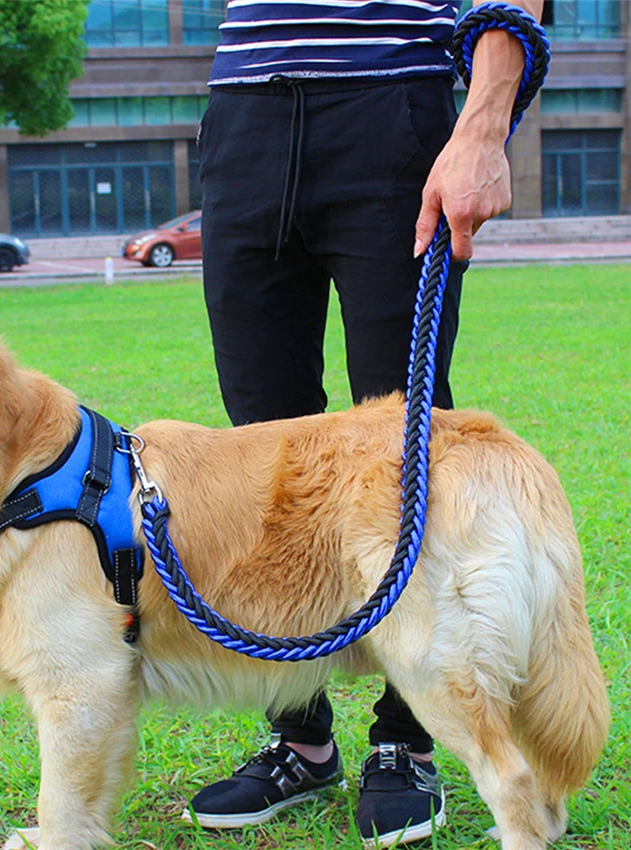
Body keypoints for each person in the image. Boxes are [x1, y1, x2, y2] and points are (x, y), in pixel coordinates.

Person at [185, 0, 544, 846]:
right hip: (244, 115)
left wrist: (483, 124)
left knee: (404, 446)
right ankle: (300, 737)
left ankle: (406, 738)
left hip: (391, 108)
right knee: (259, 458)